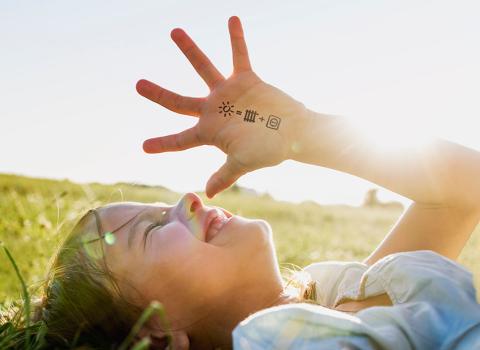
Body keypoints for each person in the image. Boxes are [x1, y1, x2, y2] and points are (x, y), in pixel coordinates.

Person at [25, 15, 480, 349]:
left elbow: (458, 197)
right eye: (154, 229)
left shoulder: (336, 294)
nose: (187, 200)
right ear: (158, 333)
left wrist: (302, 132)